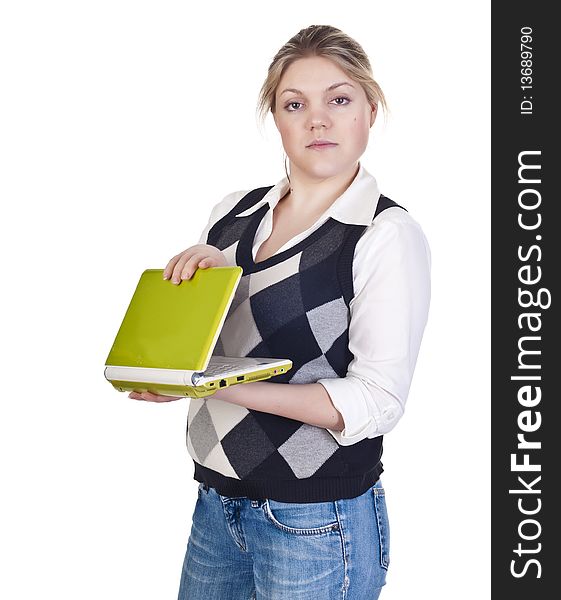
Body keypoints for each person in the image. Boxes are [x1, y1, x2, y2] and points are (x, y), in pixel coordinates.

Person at [129, 24, 431, 599]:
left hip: (315, 519)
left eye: (339, 100)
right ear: (277, 118)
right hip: (217, 503)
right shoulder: (230, 217)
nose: (318, 120)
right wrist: (175, 350)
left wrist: (213, 385)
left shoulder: (384, 235)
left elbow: (377, 402)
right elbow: (204, 352)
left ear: (370, 110)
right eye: (296, 104)